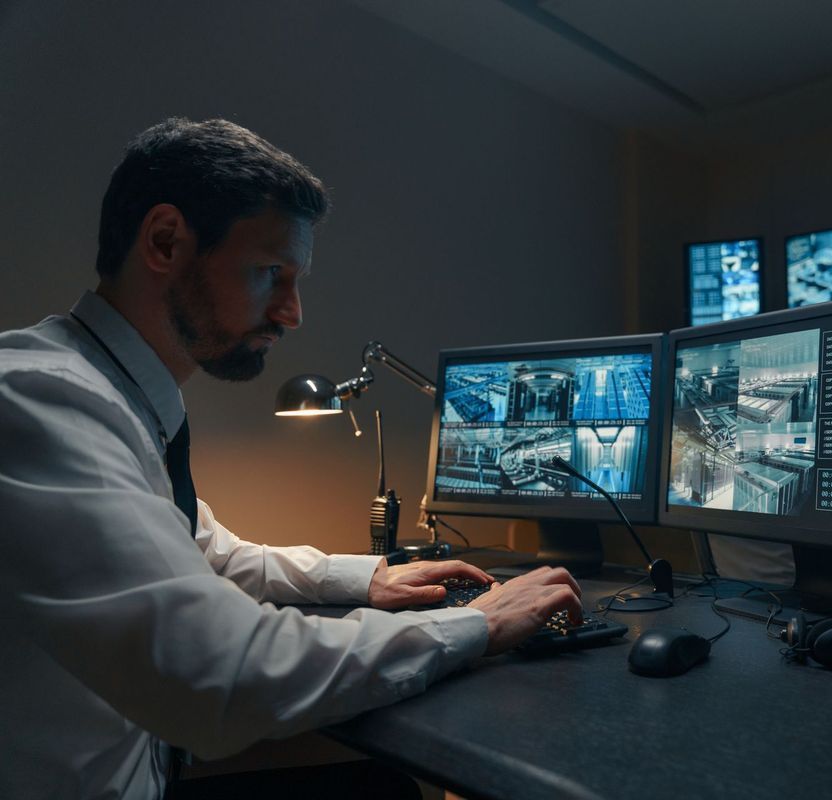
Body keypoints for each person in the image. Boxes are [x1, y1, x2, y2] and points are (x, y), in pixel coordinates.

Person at [0, 118, 582, 799]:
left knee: (385, 787)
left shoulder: (109, 396)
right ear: (165, 242)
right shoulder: (40, 403)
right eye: (271, 273)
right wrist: (475, 625)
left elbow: (209, 553)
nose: (292, 312)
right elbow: (222, 672)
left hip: (151, 772)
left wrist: (367, 579)